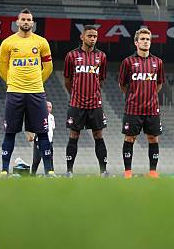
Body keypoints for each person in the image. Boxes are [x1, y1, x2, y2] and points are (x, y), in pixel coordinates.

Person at [0, 8, 55, 177]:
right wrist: (12, 82)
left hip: (36, 92)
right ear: (17, 22)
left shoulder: (41, 42)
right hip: (14, 92)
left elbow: (49, 67)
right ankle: (4, 170)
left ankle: (49, 171)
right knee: (10, 133)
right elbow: (2, 68)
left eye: (29, 20)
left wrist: (37, 81)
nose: (26, 22)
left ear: (33, 23)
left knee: (43, 132)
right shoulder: (7, 43)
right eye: (23, 19)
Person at [118, 28, 165, 178]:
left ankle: (152, 171)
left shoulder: (158, 62)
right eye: (143, 39)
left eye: (148, 39)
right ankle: (128, 171)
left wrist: (150, 95)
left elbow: (159, 84)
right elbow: (123, 85)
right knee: (129, 138)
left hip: (152, 109)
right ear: (136, 42)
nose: (146, 41)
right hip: (133, 108)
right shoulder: (128, 62)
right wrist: (134, 96)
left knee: (153, 138)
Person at [63, 25, 108, 177]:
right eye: (89, 36)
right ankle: (69, 171)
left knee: (98, 135)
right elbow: (67, 80)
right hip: (76, 104)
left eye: (95, 36)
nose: (92, 39)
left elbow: (101, 80)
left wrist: (92, 93)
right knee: (74, 135)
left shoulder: (101, 56)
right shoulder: (71, 56)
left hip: (95, 104)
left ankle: (103, 171)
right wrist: (75, 94)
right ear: (82, 37)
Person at [30, 101, 55, 176]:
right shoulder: (39, 116)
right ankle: (32, 174)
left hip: (49, 142)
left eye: (50, 107)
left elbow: (52, 128)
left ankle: (51, 174)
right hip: (39, 141)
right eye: (47, 106)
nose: (48, 108)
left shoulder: (52, 117)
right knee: (36, 160)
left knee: (50, 159)